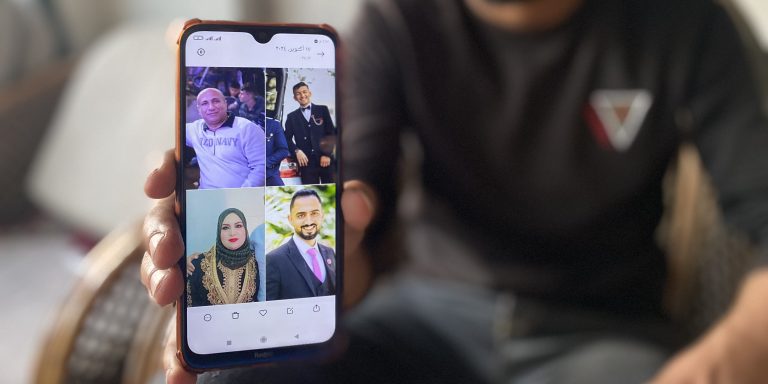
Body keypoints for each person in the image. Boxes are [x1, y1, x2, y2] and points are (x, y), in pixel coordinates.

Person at [143, 0, 768, 383]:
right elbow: (361, 234)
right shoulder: (398, 20)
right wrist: (322, 257)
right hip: (420, 320)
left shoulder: (689, 23)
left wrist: (738, 351)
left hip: (603, 338)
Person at [186, 88, 266, 189]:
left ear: (226, 104)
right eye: (205, 103)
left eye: (216, 101)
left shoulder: (247, 128)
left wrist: (243, 194)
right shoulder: (194, 129)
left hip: (241, 198)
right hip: (206, 197)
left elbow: (261, 166)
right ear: (199, 110)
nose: (211, 107)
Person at [266, 189, 337, 301]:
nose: (308, 221)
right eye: (301, 215)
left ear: (322, 216)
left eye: (314, 213)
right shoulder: (273, 260)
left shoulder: (330, 253)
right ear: (290, 219)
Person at [186, 208, 259, 306]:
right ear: (218, 232)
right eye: (225, 228)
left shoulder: (258, 261)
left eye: (238, 226)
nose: (232, 233)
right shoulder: (197, 264)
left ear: (245, 229)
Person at [283, 82, 336, 185]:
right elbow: (286, 138)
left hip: (326, 160)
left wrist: (327, 154)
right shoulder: (291, 117)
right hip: (306, 163)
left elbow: (331, 133)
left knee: (331, 189)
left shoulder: (322, 110)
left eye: (304, 92)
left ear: (310, 93)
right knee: (309, 189)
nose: (302, 95)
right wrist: (297, 151)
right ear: (294, 98)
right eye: (298, 93)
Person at [265, 117, 290, 186]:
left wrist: (266, 162)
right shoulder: (243, 126)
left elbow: (283, 151)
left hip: (269, 175)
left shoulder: (273, 125)